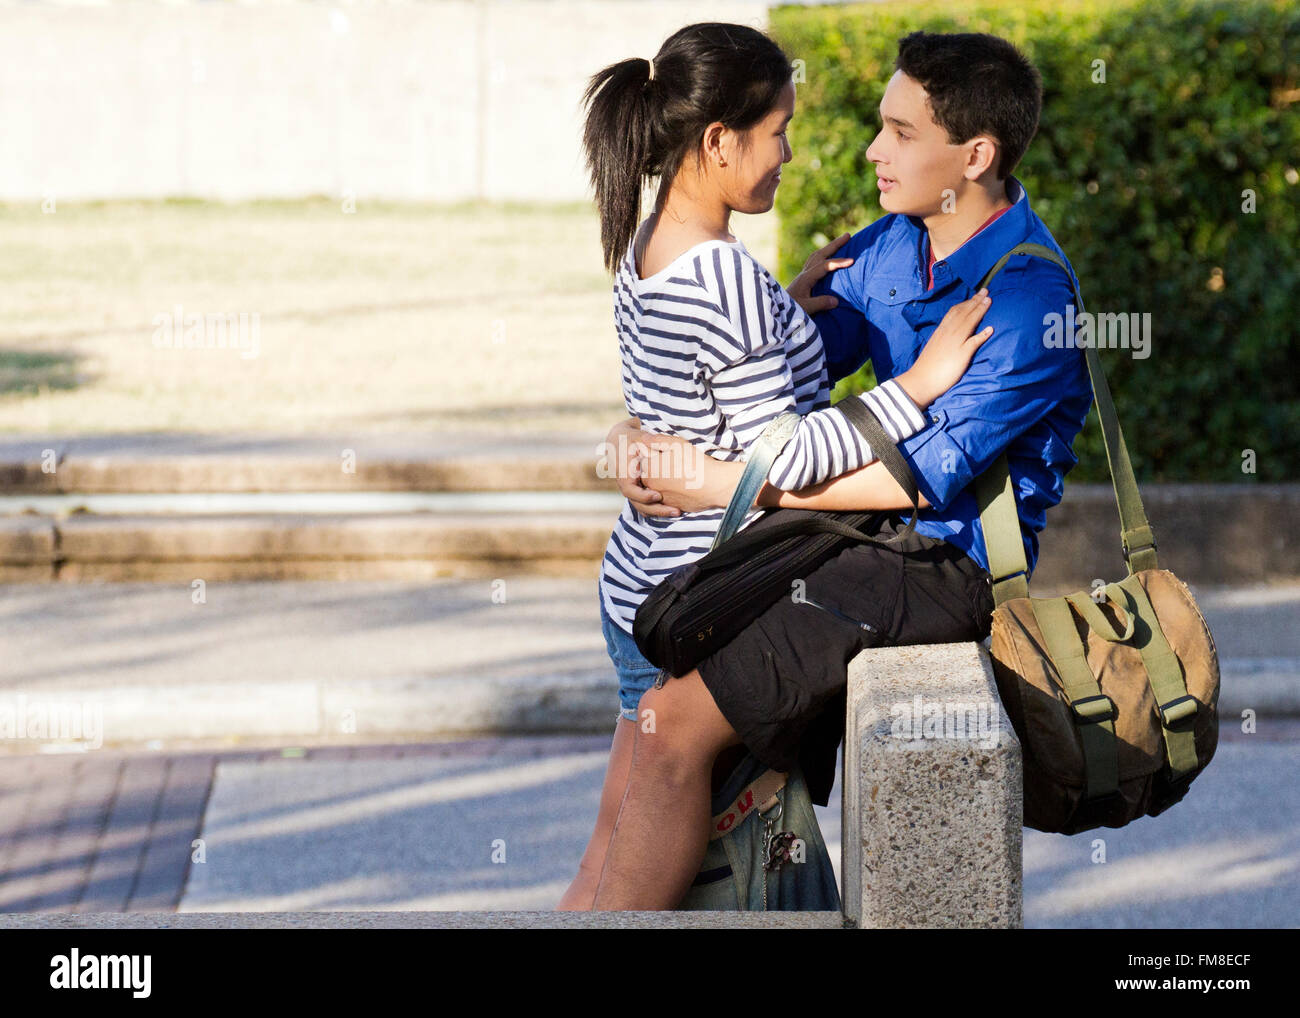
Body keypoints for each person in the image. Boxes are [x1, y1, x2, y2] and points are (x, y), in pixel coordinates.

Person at [594, 30, 1096, 910]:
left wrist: (718, 482)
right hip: (849, 531)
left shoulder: (1025, 303)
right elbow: (771, 372)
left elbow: (913, 477)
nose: (871, 149)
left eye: (900, 133)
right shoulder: (893, 245)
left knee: (668, 725)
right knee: (661, 729)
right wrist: (641, 433)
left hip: (937, 563)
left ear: (973, 156)